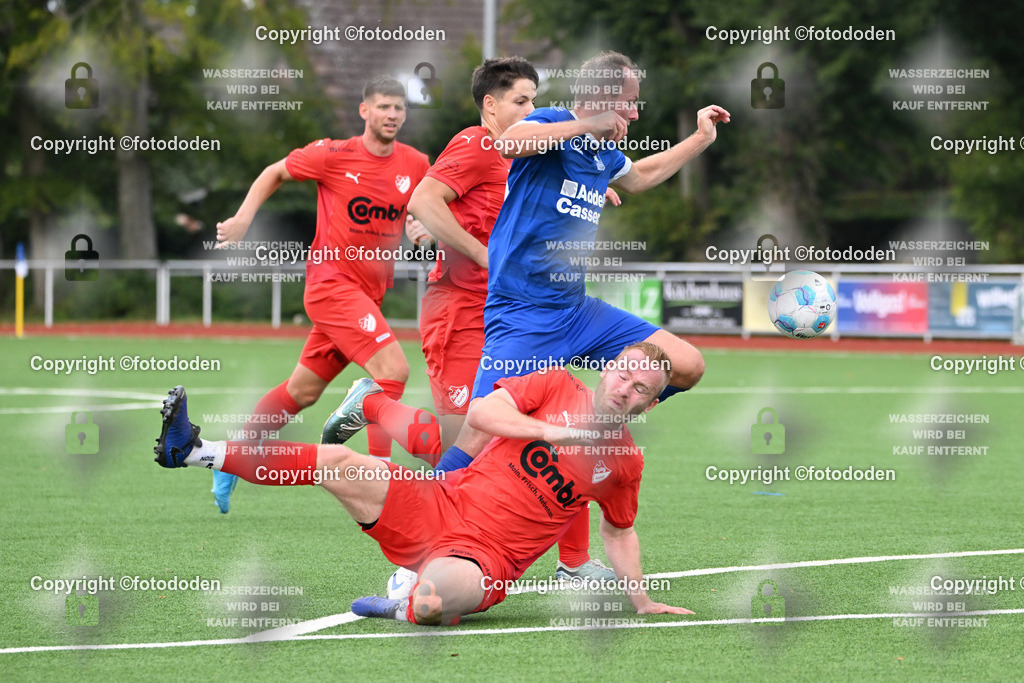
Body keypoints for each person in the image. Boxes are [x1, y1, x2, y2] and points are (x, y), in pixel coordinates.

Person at [152, 342, 692, 626]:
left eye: (641, 388)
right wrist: (553, 431)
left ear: (648, 403)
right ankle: (196, 451)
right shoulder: (553, 385)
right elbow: (483, 412)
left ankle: (403, 602)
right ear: (608, 368)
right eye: (624, 374)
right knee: (341, 461)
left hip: (486, 559)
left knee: (435, 599)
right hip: (441, 501)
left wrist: (640, 600)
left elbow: (619, 532)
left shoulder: (623, 462)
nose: (626, 389)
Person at [430, 51, 729, 483]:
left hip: (576, 311)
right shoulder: (552, 120)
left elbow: (640, 176)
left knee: (685, 364)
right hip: (523, 312)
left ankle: (600, 418)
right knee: (479, 431)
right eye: (628, 101)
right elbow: (510, 143)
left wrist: (701, 138)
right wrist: (589, 123)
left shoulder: (603, 151)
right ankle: (429, 520)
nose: (633, 112)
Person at [402, 56, 619, 582]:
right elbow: (422, 201)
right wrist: (479, 253)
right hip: (462, 309)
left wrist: (593, 188)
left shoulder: (537, 151)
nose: (532, 109)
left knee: (550, 427)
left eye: (535, 99)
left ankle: (574, 561)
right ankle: (417, 561)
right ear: (490, 106)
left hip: (530, 313)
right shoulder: (479, 143)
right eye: (521, 101)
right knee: (466, 441)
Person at [208, 76, 434, 513]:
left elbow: (421, 210)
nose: (392, 116)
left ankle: (231, 457)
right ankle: (381, 476)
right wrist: (241, 220)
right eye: (384, 107)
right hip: (331, 287)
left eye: (399, 109)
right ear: (364, 110)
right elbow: (274, 172)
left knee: (303, 391)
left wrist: (419, 227)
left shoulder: (416, 164)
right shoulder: (332, 154)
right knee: (392, 369)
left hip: (368, 296)